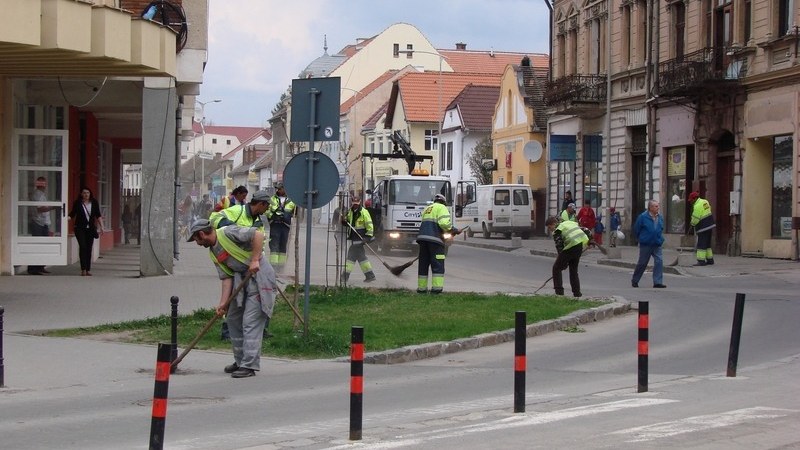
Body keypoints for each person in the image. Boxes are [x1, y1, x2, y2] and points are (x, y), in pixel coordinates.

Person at [187, 219, 276, 378]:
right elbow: (226, 277)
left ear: (201, 234)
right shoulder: (213, 252)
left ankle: (249, 365)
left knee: (250, 321)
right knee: (233, 318)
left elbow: (258, 234)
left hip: (259, 276)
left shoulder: (228, 233)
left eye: (195, 239)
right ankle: (240, 360)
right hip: (240, 280)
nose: (196, 243)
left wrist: (255, 260)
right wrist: (223, 304)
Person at [209, 190, 271, 340]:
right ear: (261, 204)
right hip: (230, 260)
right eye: (266, 207)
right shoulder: (238, 210)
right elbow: (214, 217)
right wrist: (232, 228)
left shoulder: (258, 222)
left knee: (256, 298)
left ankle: (259, 330)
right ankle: (227, 331)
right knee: (233, 297)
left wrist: (257, 260)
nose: (267, 210)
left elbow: (259, 242)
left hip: (250, 267)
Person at [416, 194, 460, 294]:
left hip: (423, 239)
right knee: (437, 264)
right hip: (435, 240)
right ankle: (436, 289)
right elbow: (444, 224)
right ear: (443, 202)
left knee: (423, 264)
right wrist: (453, 230)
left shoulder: (428, 208)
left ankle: (421, 289)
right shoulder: (442, 208)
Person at [545, 215, 590, 297]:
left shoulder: (557, 231)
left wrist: (562, 261)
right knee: (573, 271)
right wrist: (590, 240)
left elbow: (559, 247)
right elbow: (586, 230)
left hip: (570, 247)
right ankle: (577, 293)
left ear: (554, 223)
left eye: (549, 227)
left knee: (556, 268)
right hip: (579, 246)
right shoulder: (569, 223)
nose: (549, 229)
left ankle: (559, 292)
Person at [68, 187, 105, 276]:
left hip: (91, 229)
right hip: (80, 228)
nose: (86, 194)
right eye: (84, 193)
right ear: (81, 194)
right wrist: (66, 219)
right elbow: (73, 214)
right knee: (83, 246)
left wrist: (102, 227)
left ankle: (88, 269)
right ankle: (83, 269)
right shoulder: (77, 203)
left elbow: (98, 215)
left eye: (88, 193)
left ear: (90, 193)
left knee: (89, 248)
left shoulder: (94, 202)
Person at [631, 200, 666, 288]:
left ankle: (657, 282)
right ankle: (635, 280)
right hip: (646, 244)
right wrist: (640, 239)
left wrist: (660, 239)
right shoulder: (643, 217)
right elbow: (636, 229)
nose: (657, 208)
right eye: (655, 206)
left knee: (659, 261)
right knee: (642, 263)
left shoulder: (660, 217)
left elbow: (661, 228)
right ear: (650, 208)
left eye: (658, 206)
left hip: (657, 243)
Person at [340, 197, 376, 283]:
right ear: (352, 202)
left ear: (359, 202)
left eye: (357, 203)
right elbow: (348, 222)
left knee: (350, 258)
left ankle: (344, 277)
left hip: (360, 238)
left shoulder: (364, 212)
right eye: (354, 203)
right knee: (362, 258)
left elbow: (369, 225)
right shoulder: (350, 211)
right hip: (354, 239)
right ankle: (370, 275)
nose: (355, 205)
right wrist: (344, 221)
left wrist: (368, 237)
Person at [27, 176, 57, 275]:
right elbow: (40, 209)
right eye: (42, 183)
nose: (44, 185)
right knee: (37, 245)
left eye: (44, 183)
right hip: (38, 222)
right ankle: (33, 268)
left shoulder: (42, 194)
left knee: (43, 245)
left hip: (44, 222)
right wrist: (52, 207)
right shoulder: (37, 194)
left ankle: (40, 266)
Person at [266, 182, 296, 273]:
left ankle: (281, 267)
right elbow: (267, 210)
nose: (278, 190)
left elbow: (295, 212)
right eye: (277, 189)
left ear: (285, 189)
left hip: (285, 225)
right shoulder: (272, 199)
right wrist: (272, 216)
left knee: (283, 246)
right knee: (274, 245)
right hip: (275, 224)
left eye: (280, 189)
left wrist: (286, 215)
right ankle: (273, 267)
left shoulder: (292, 200)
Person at [689, 191, 716, 266]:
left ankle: (701, 261)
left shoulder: (697, 206)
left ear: (695, 198)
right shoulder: (705, 201)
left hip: (703, 227)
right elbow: (708, 210)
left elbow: (695, 218)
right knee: (707, 244)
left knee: (701, 244)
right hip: (710, 225)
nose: (691, 202)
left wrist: (692, 224)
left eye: (691, 200)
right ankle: (710, 260)